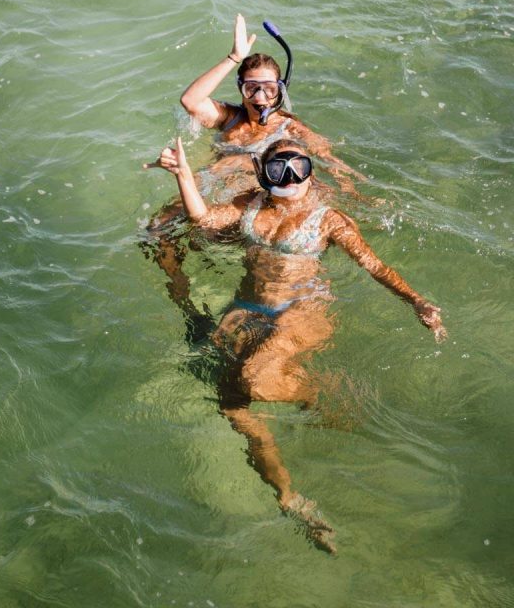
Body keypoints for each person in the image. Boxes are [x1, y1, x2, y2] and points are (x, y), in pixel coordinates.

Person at [147, 135, 446, 553]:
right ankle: (289, 496)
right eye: (278, 169)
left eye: (298, 168)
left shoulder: (330, 219)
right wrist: (182, 175)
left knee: (255, 379)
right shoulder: (249, 204)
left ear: (311, 173)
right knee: (233, 406)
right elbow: (204, 219)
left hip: (302, 310)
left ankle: (328, 394)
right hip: (248, 307)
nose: (289, 177)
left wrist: (416, 301)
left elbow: (374, 264)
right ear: (262, 173)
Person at [178, 13, 365, 198]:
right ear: (240, 89)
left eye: (269, 89)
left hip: (265, 196)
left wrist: (352, 187)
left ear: (281, 90)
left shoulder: (290, 127)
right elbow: (190, 101)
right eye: (251, 88)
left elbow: (329, 160)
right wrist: (234, 58)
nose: (260, 97)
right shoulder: (228, 118)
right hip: (219, 190)